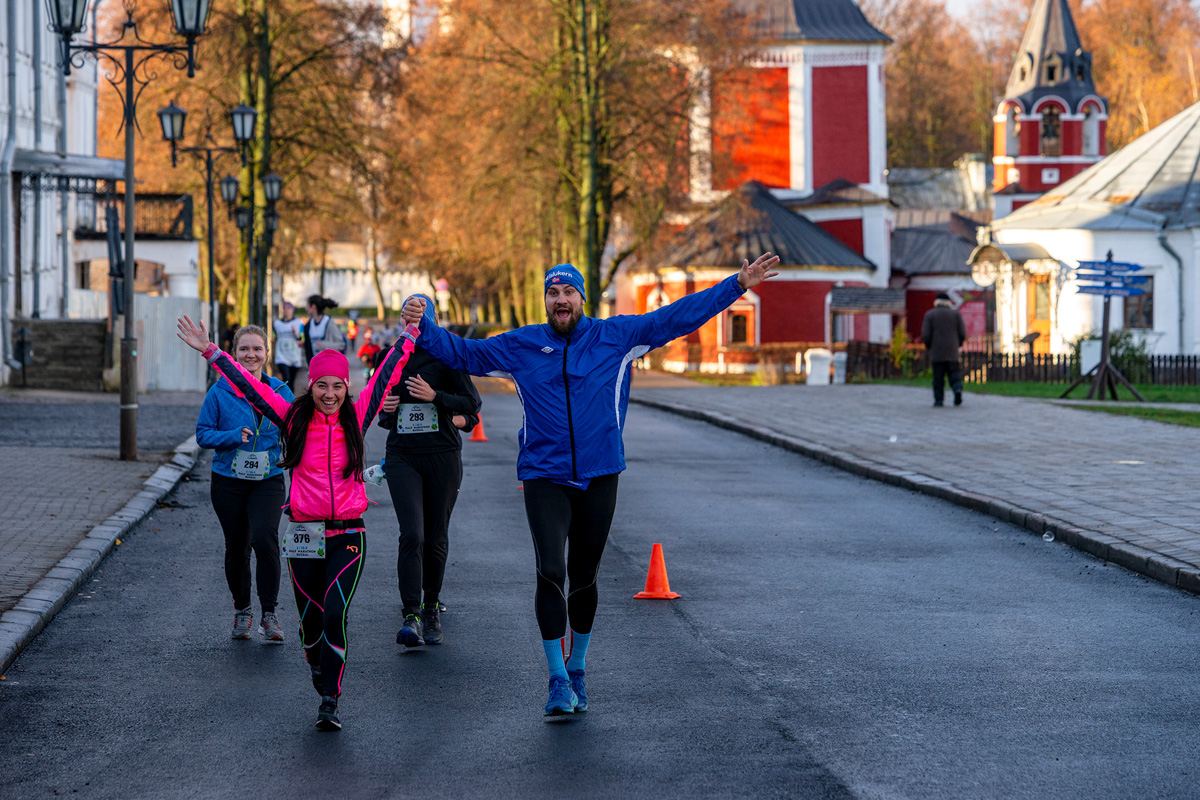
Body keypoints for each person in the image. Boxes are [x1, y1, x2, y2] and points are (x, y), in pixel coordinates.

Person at [402, 253, 779, 718]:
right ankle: (556, 678)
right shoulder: (522, 345)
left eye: (568, 293)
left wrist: (736, 285)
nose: (561, 300)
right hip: (543, 475)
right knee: (550, 572)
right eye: (553, 293)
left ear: (582, 298)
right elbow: (464, 353)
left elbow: (677, 317)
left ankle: (578, 665)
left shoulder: (615, 337)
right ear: (545, 301)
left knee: (584, 577)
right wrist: (424, 321)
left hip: (600, 475)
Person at [177, 313, 419, 732]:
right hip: (305, 535)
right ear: (310, 386)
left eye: (337, 386)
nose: (329, 394)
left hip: (347, 533)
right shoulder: (292, 418)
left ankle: (330, 698)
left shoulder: (358, 418)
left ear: (347, 388)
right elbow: (249, 387)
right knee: (310, 626)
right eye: (321, 385)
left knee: (334, 614)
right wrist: (211, 352)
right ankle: (316, 664)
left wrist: (414, 330)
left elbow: (387, 369)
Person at [377, 295, 481, 648]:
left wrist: (435, 395)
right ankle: (411, 615)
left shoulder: (447, 355)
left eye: (420, 320)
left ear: (431, 320)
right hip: (403, 455)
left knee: (435, 536)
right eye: (408, 319)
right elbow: (381, 413)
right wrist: (387, 407)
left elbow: (472, 405)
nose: (414, 327)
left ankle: (431, 604)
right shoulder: (391, 356)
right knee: (412, 534)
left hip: (442, 455)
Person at [195, 324, 294, 642]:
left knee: (265, 540)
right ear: (233, 354)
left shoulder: (281, 392)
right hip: (228, 481)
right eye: (244, 349)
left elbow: (296, 430)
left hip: (268, 479)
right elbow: (203, 434)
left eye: (257, 349)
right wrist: (231, 436)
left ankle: (269, 614)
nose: (251, 354)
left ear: (267, 353)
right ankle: (242, 611)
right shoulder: (219, 392)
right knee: (237, 548)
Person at [921, 292, 967, 407]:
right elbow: (962, 333)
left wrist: (928, 345)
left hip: (937, 351)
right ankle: (957, 389)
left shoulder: (930, 315)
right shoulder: (955, 314)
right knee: (954, 374)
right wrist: (959, 343)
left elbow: (926, 334)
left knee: (938, 377)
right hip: (952, 351)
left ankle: (939, 400)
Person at [273, 302, 306, 392]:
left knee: (291, 381)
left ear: (292, 310)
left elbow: (303, 338)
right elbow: (274, 336)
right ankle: (285, 401)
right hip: (281, 356)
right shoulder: (277, 324)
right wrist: (273, 339)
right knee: (286, 378)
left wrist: (296, 334)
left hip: (294, 356)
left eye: (288, 308)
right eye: (284, 308)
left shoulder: (298, 323)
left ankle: (291, 402)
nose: (286, 310)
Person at [304, 295, 347, 361]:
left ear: (313, 306)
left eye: (307, 305)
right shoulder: (308, 325)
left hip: (328, 365)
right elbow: (309, 348)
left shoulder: (328, 322)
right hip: (314, 366)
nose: (305, 308)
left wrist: (323, 345)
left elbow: (341, 345)